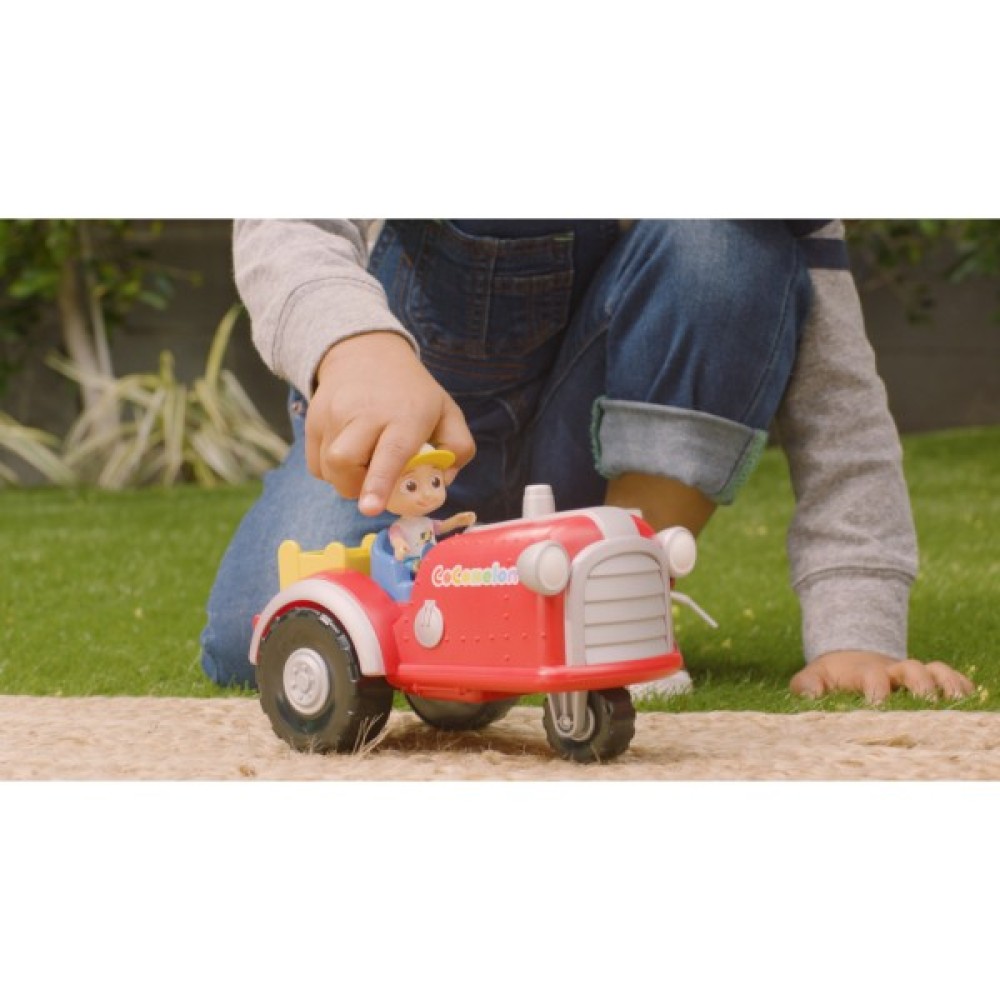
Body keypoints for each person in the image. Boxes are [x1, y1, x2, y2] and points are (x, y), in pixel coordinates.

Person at [200, 219, 973, 705]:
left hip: (588, 481)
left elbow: (840, 406)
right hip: (418, 459)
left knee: (730, 250)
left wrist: (857, 634)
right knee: (258, 634)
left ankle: (616, 613)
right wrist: (351, 343)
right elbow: (287, 223)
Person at [385, 443, 476, 575]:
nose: (427, 494)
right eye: (411, 486)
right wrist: (400, 546)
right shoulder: (398, 527)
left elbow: (442, 527)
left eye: (435, 482)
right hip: (411, 562)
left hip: (433, 559)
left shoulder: (427, 522)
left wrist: (457, 521)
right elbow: (396, 539)